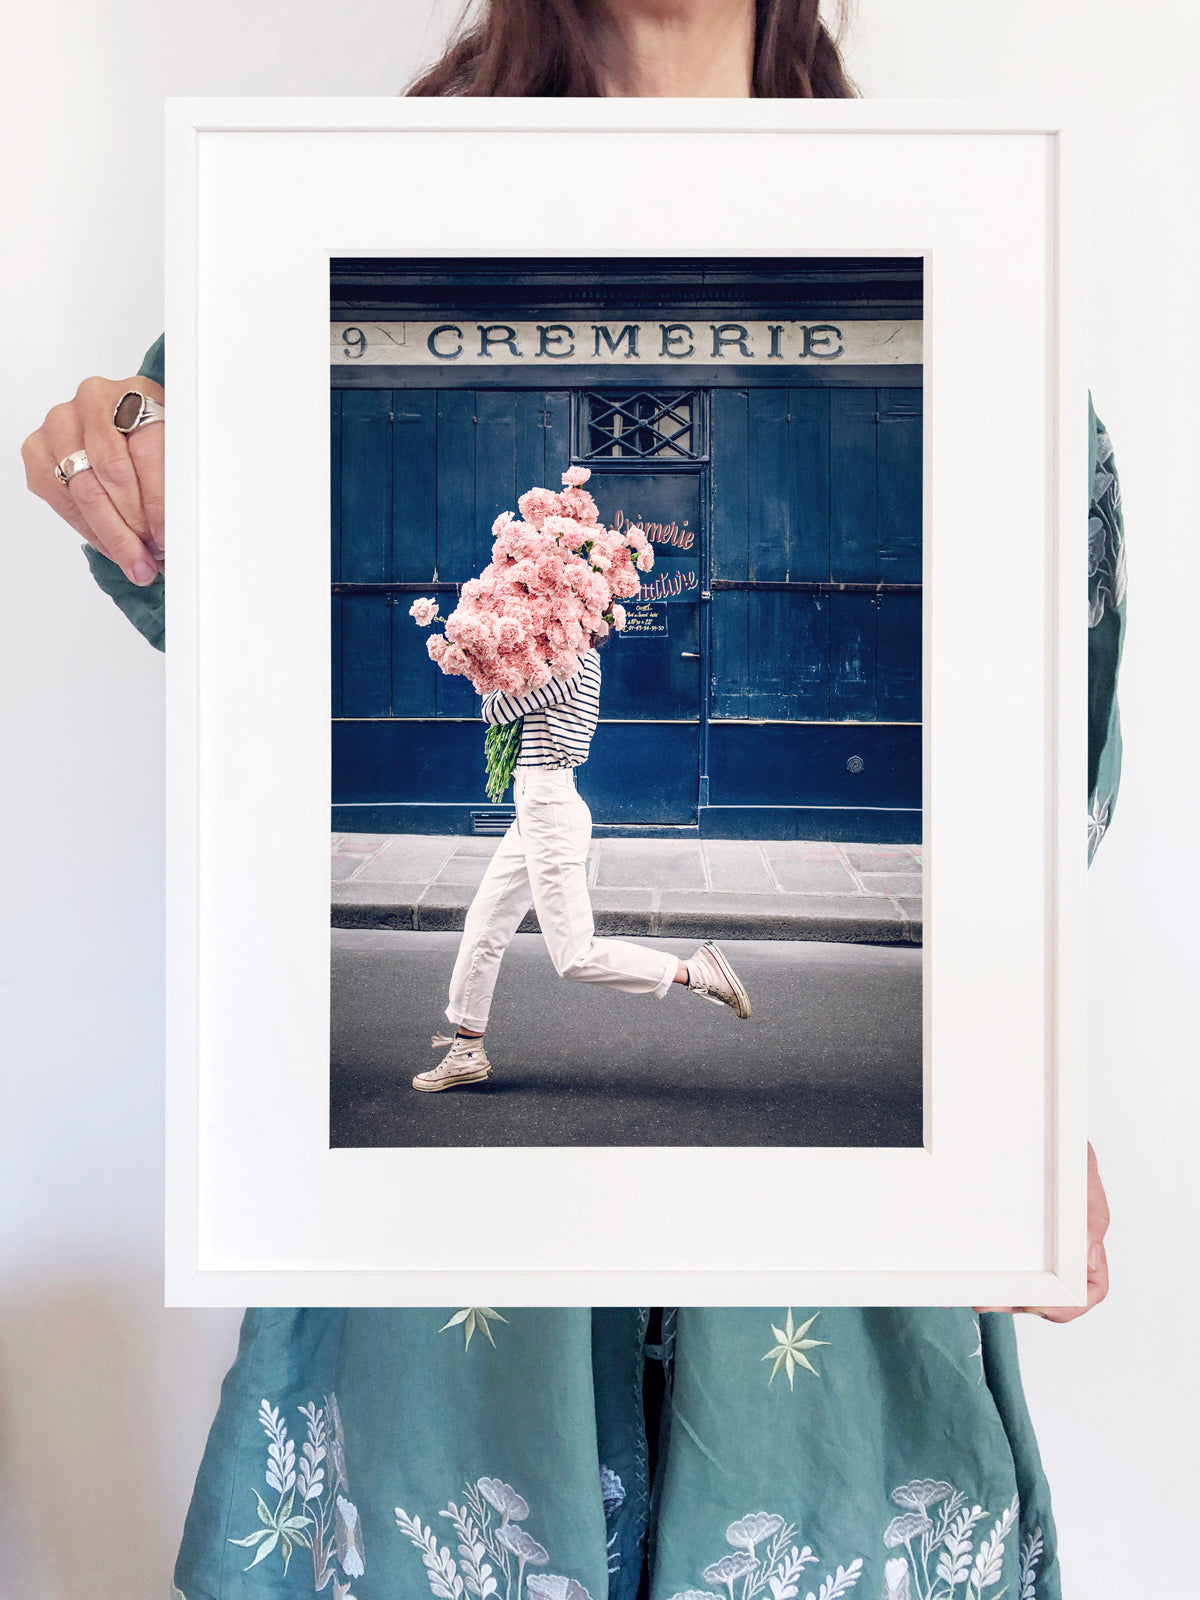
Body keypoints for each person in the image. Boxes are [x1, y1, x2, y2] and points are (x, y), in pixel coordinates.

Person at [20, 4, 1124, 1598]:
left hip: (832, 1303)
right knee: (501, 945)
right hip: (442, 1322)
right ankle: (475, 1041)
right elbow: (221, 638)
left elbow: (1044, 788)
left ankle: (658, 983)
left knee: (571, 949)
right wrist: (121, 449)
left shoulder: (959, 254)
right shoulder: (328, 235)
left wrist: (1023, 1082)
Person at [419, 629, 751, 1093]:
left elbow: (495, 710)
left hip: (549, 808)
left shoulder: (567, 664)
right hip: (535, 805)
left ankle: (695, 972)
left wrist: (497, 661)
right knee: (485, 923)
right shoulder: (558, 658)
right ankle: (467, 1049)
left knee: (574, 956)